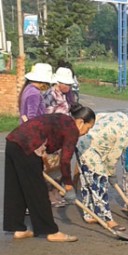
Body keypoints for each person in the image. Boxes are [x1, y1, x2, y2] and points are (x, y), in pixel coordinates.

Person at [3, 104, 95, 242]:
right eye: (88, 128)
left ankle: (18, 228)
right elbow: (65, 160)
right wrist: (68, 185)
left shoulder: (64, 119)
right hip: (27, 148)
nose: (86, 132)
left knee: (16, 188)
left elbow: (47, 135)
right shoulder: (72, 129)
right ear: (81, 122)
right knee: (38, 191)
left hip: (13, 142)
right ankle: (51, 232)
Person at [76, 110, 128, 231]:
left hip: (81, 142)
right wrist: (111, 175)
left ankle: (89, 214)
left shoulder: (121, 115)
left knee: (88, 183)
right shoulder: (126, 135)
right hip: (91, 151)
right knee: (100, 184)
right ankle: (108, 219)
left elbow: (100, 116)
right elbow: (113, 158)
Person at [43, 67, 76, 207]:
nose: (68, 87)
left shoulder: (66, 95)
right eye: (66, 84)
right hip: (53, 137)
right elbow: (47, 118)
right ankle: (50, 195)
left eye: (69, 84)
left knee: (59, 167)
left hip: (63, 137)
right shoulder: (50, 95)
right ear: (58, 82)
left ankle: (57, 192)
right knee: (50, 167)